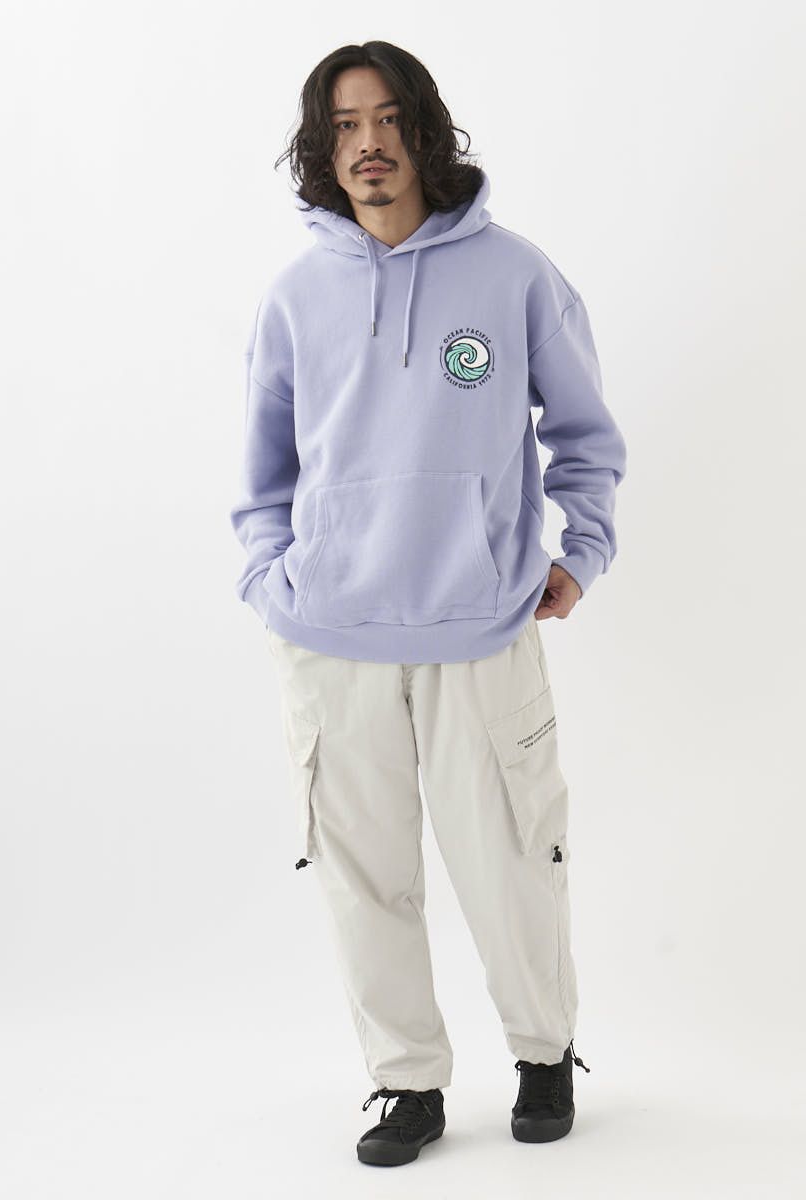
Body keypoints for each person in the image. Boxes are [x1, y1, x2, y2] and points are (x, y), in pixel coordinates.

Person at [230, 40, 627, 1167]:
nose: (369, 144)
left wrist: (583, 551)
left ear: (424, 130)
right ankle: (406, 1083)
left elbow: (586, 434)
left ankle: (542, 1053)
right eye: (345, 125)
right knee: (365, 882)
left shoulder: (514, 276)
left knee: (512, 861)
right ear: (322, 148)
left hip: (480, 629)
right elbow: (262, 473)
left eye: (388, 119)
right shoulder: (296, 296)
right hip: (330, 637)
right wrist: (271, 577)